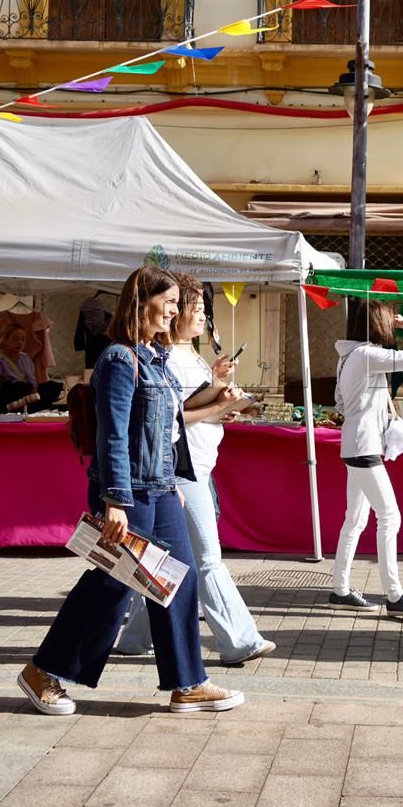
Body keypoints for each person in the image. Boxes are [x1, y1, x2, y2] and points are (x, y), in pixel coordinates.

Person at [17, 264, 242, 715]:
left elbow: (166, 427)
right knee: (112, 584)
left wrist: (173, 482)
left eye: (180, 303)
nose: (176, 310)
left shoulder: (154, 357)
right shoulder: (119, 359)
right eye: (171, 302)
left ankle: (188, 683)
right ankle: (44, 672)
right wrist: (115, 500)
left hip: (160, 489)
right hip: (128, 492)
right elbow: (113, 436)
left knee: (178, 580)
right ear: (143, 301)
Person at [114, 274, 275, 664]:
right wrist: (221, 405)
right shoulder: (139, 358)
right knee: (205, 558)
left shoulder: (179, 356)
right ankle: (239, 640)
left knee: (169, 563)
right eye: (193, 308)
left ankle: (135, 638)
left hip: (191, 469)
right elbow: (165, 421)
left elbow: (182, 412)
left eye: (199, 309)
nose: (200, 316)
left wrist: (219, 395)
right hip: (179, 470)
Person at [329, 298, 403, 616]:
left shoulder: (348, 356)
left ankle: (341, 589)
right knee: (389, 516)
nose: (392, 323)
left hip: (356, 445)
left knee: (356, 520)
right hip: (364, 447)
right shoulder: (365, 355)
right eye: (388, 319)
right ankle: (394, 595)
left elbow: (340, 403)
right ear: (377, 322)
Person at [0, 326, 63, 412]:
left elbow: (33, 382)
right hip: (9, 407)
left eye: (23, 340)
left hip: (29, 403)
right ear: (5, 339)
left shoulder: (26, 358)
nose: (19, 343)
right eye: (15, 339)